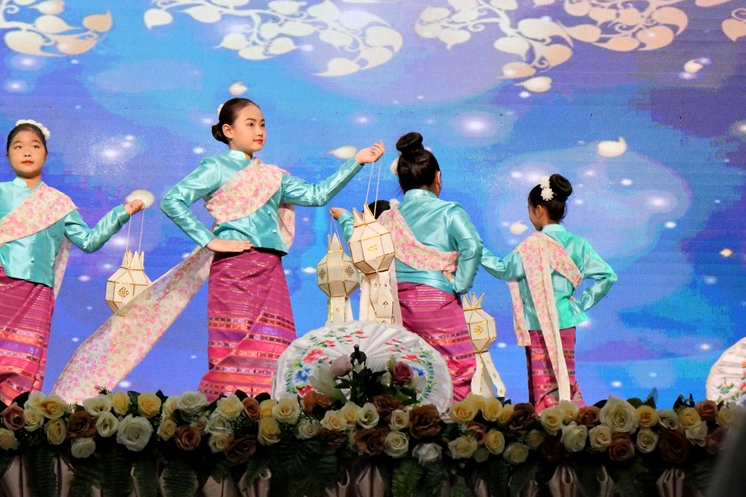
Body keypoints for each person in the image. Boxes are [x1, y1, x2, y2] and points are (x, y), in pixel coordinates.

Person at [160, 97, 384, 398]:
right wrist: (210, 240)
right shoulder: (216, 167)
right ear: (228, 130)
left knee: (275, 349)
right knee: (233, 348)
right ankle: (226, 414)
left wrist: (356, 161)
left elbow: (317, 195)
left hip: (270, 270)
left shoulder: (273, 176)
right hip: (234, 269)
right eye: (250, 124)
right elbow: (172, 200)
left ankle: (271, 414)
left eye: (262, 125)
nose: (259, 131)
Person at [0, 119, 144, 403]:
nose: (27, 151)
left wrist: (121, 214)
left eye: (35, 146)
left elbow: (89, 241)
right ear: (8, 155)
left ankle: (16, 418)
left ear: (46, 155)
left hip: (37, 294)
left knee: (25, 363)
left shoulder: (59, 203)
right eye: (18, 146)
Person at [333, 132, 482, 401]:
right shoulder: (449, 211)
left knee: (409, 374)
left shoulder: (389, 218)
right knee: (455, 369)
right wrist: (460, 284)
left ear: (402, 183)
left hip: (399, 306)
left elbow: (363, 243)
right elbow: (472, 246)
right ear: (438, 177)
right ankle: (453, 423)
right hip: (438, 303)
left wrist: (345, 218)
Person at [481, 173, 616, 411]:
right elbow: (608, 276)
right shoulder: (578, 244)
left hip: (536, 325)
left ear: (539, 210)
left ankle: (548, 426)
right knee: (566, 381)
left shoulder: (531, 246)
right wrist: (578, 305)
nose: (529, 215)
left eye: (529, 209)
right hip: (565, 322)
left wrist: (477, 250)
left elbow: (503, 269)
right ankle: (574, 423)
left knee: (543, 388)